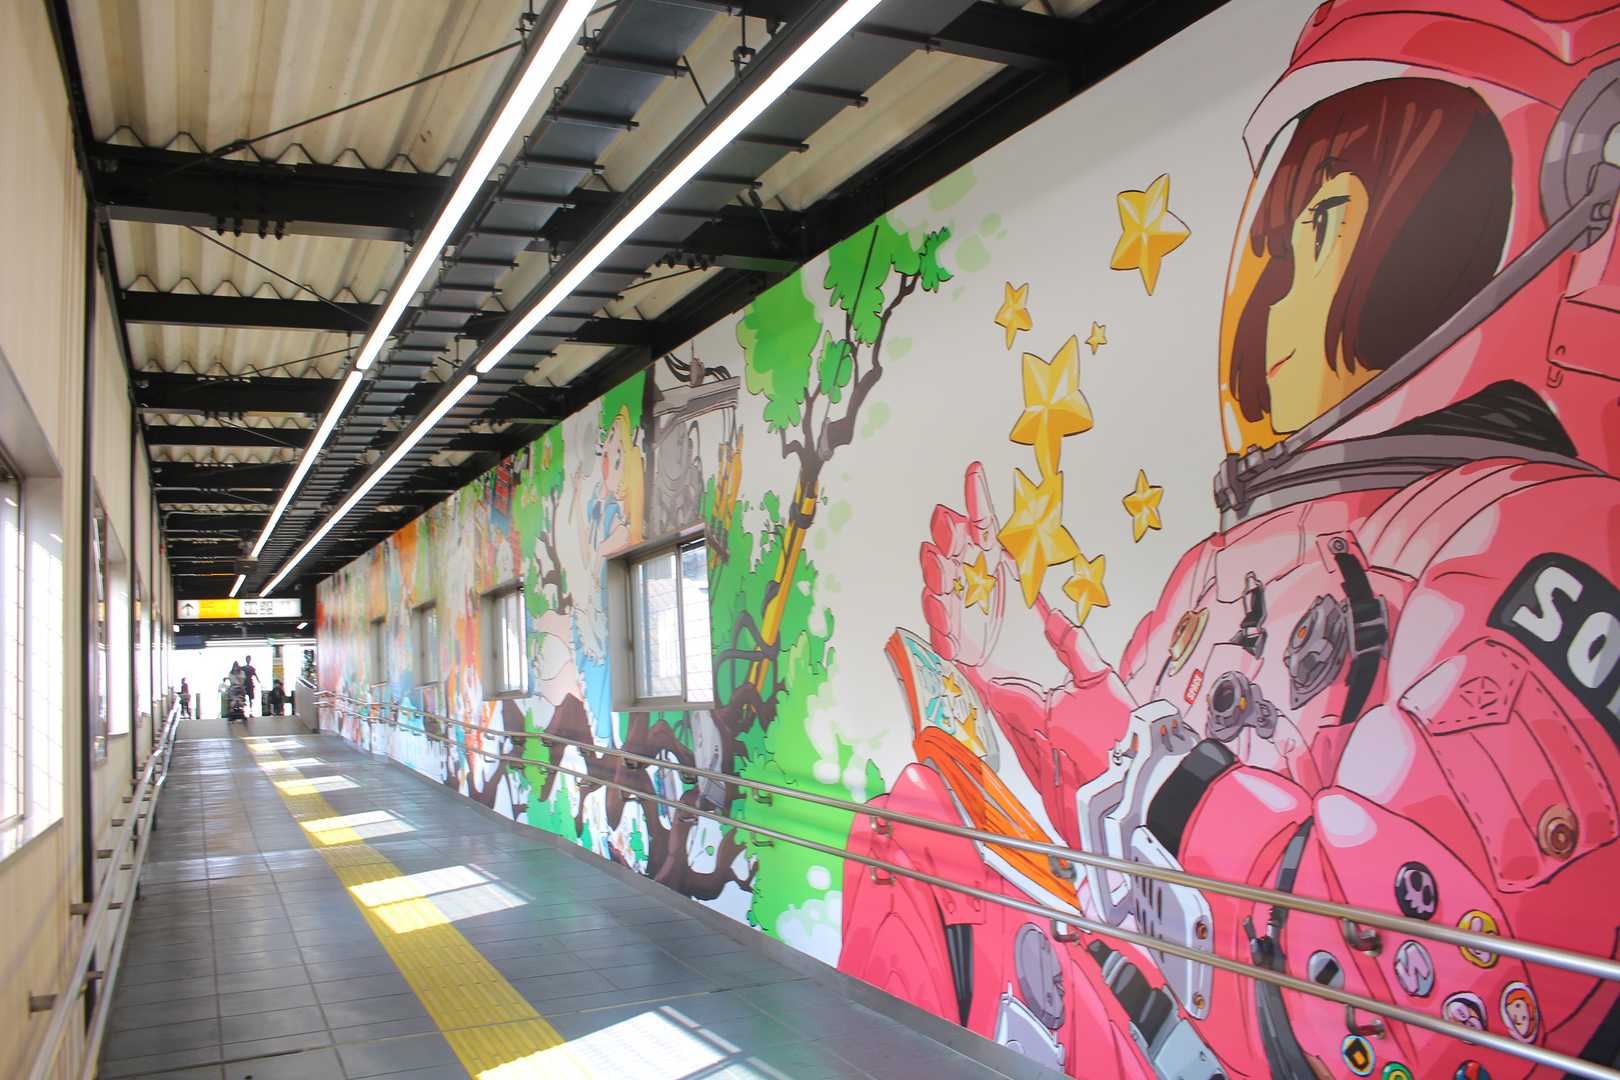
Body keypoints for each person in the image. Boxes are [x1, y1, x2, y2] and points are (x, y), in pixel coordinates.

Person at [838, 7, 1620, 1079]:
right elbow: (1113, 824)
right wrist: (1007, 680)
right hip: (1152, 1026)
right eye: (1285, 231)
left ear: (1575, 199)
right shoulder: (1224, 568)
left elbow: (1400, 1005)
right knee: (911, 827)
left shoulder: (1534, 546)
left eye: (1335, 218)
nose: (1281, 282)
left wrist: (1149, 767)